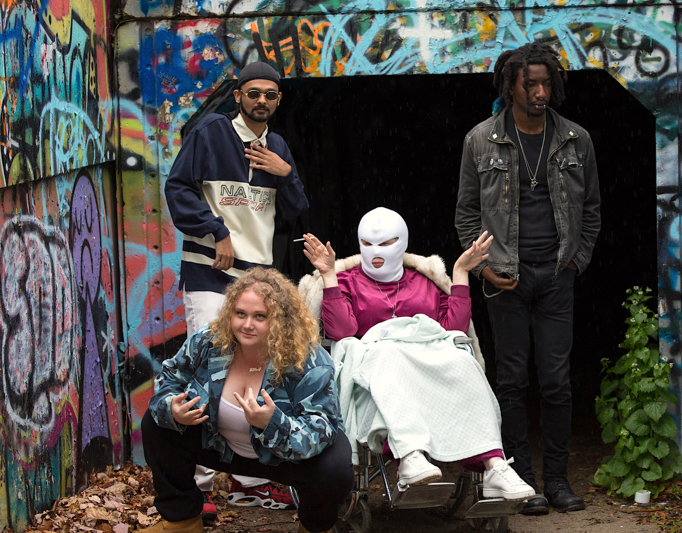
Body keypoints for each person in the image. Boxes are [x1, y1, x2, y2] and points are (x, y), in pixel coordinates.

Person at [301, 207, 536, 503]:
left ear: (402, 242)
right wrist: (328, 275)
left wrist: (460, 274)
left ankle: (494, 466)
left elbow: (454, 330)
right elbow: (342, 331)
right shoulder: (347, 280)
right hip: (378, 370)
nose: (376, 252)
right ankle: (409, 455)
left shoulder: (425, 280)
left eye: (386, 243)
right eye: (368, 244)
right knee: (387, 353)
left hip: (429, 365)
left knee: (463, 358)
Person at [455, 42, 601, 514]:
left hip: (557, 275)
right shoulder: (481, 140)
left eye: (546, 83)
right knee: (513, 379)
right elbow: (466, 214)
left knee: (557, 381)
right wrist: (486, 269)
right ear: (510, 85)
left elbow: (593, 210)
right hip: (507, 280)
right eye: (530, 84)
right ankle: (523, 482)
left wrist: (576, 260)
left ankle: (558, 481)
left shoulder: (576, 139)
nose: (540, 92)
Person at [164, 61, 309, 518]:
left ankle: (253, 481)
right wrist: (215, 230)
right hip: (211, 272)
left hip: (255, 279)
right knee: (203, 367)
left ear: (278, 100)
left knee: (251, 373)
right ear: (239, 96)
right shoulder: (210, 132)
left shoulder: (278, 146)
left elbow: (296, 210)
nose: (261, 100)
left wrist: (285, 172)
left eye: (270, 94)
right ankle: (198, 487)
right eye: (253, 93)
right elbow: (178, 188)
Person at [140, 268, 353, 533]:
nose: (247, 324)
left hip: (284, 458)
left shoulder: (308, 358)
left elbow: (323, 428)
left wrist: (273, 423)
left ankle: (314, 528)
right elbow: (169, 378)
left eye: (260, 316)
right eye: (240, 314)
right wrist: (172, 408)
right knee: (156, 423)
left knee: (336, 464)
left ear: (280, 320)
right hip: (221, 446)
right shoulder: (210, 340)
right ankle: (182, 520)